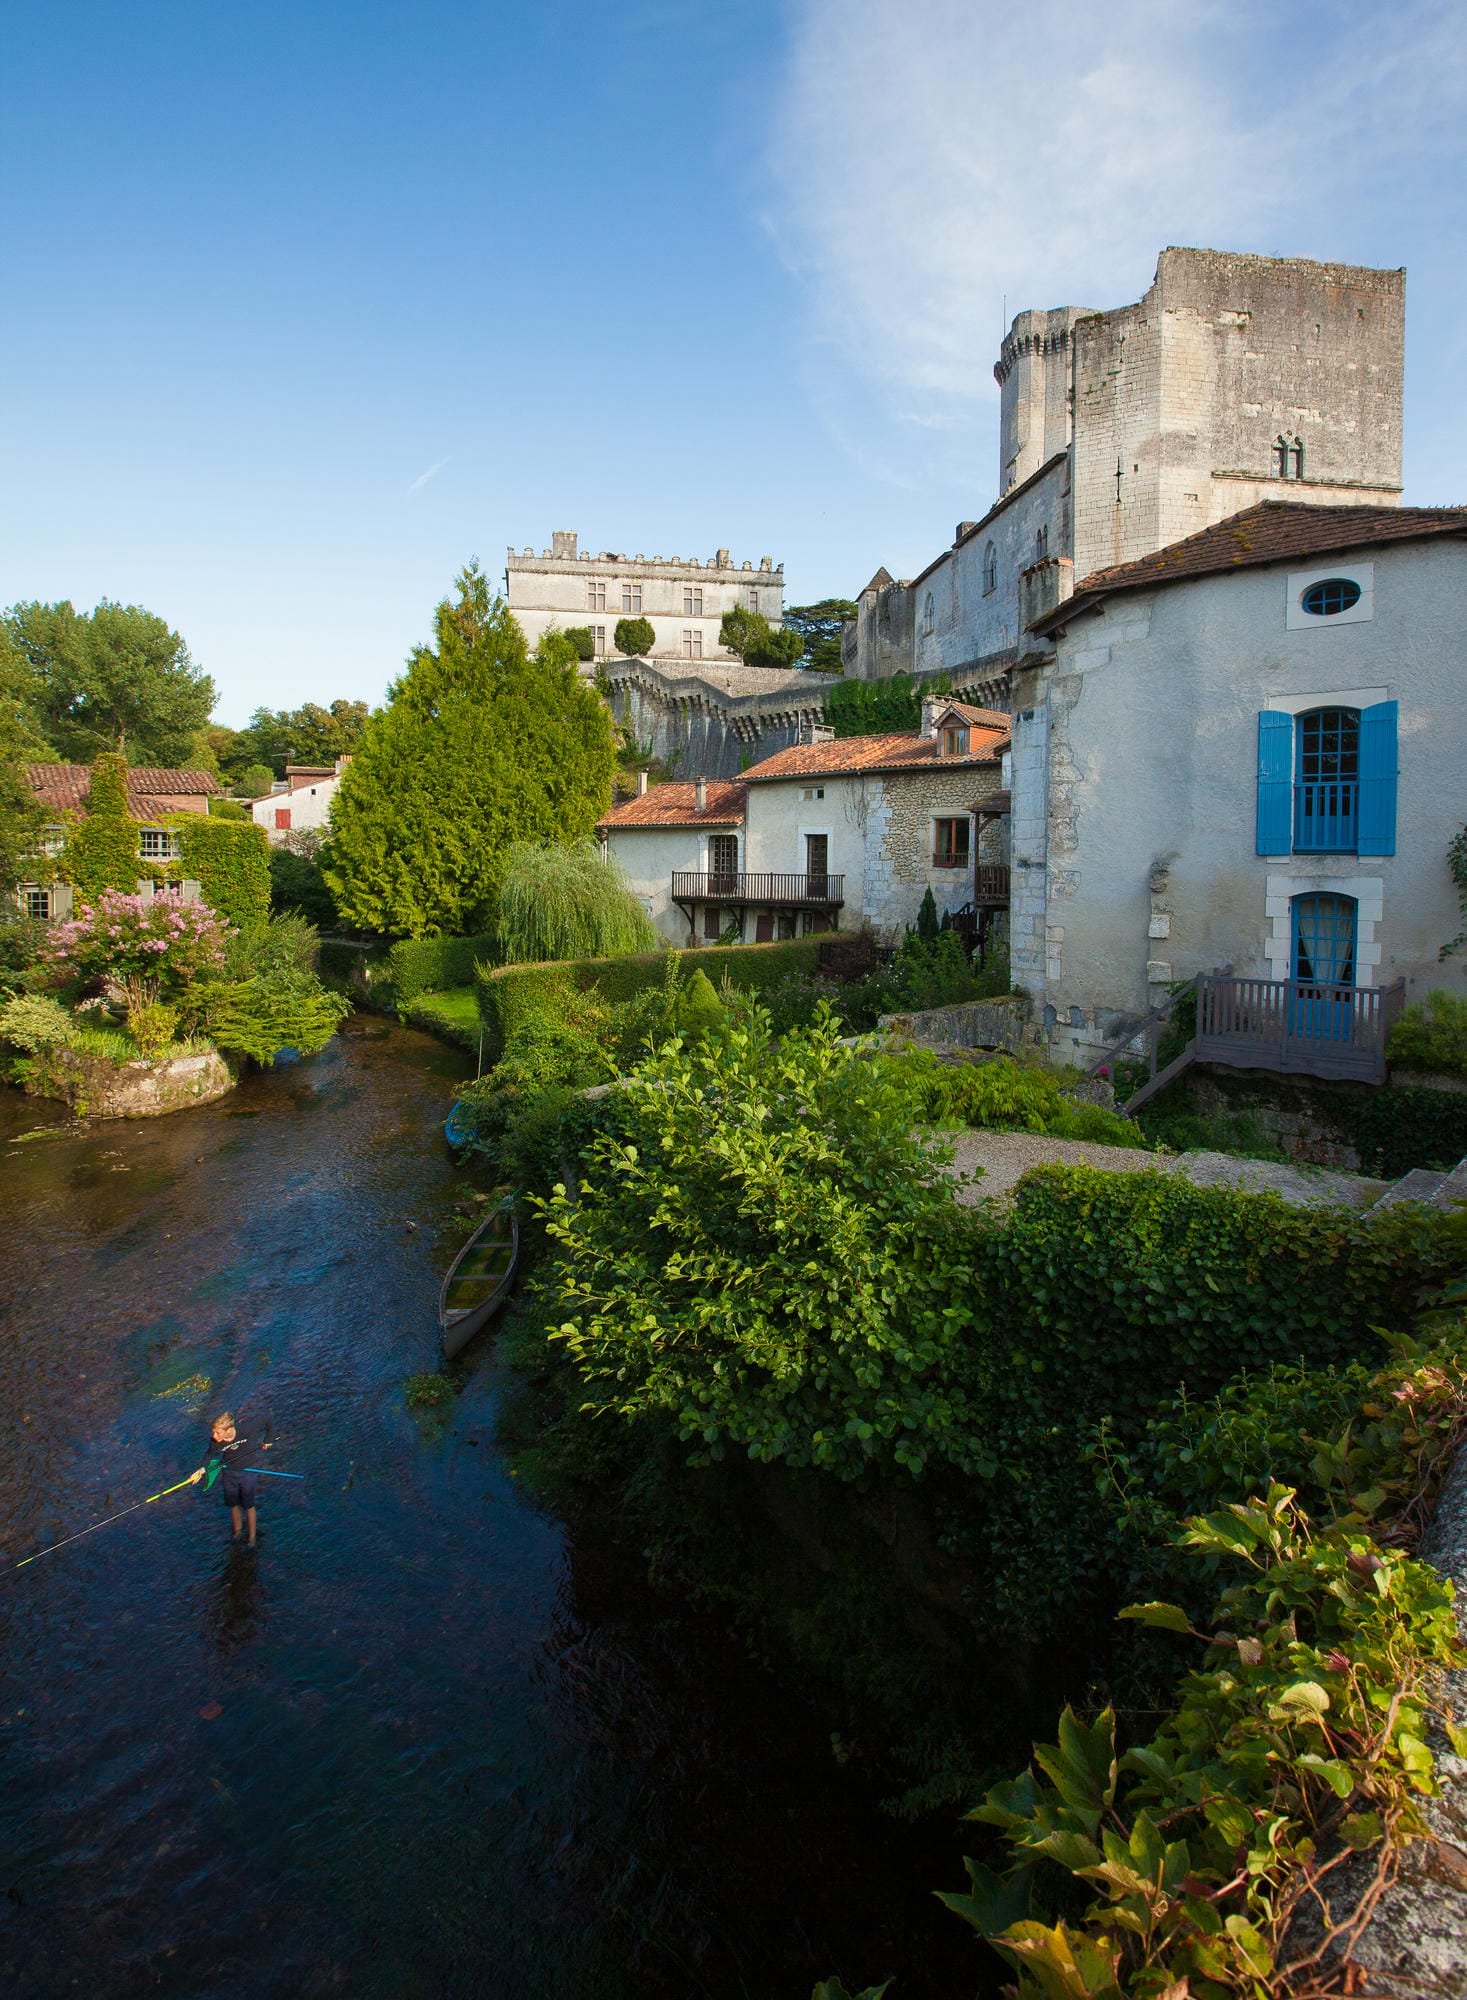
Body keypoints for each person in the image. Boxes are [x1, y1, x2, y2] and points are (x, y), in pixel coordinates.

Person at [190, 1411, 259, 1547]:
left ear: (228, 1430)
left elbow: (267, 1418)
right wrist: (202, 1469)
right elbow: (209, 1455)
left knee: (249, 1506)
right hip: (229, 1474)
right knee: (233, 1504)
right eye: (213, 1433)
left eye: (217, 1433)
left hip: (247, 1473)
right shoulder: (215, 1442)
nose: (214, 1436)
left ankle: (252, 1538)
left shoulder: (245, 1429)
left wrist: (268, 1440)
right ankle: (238, 1532)